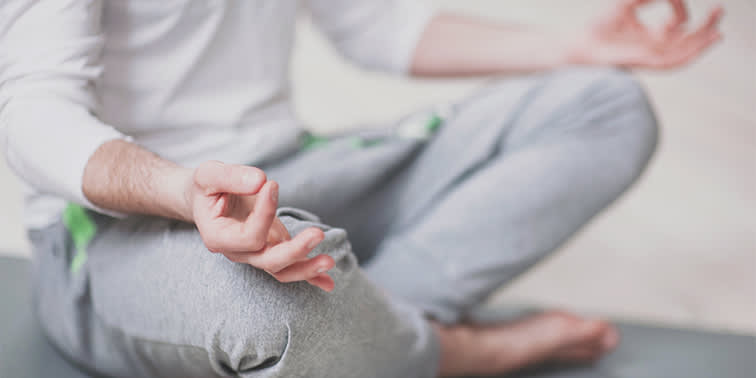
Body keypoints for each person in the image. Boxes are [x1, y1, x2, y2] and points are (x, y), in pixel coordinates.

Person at [0, 0, 722, 376]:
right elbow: (31, 110)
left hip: (288, 171)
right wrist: (182, 190)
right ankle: (455, 353)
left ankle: (366, 337)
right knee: (264, 304)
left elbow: (375, 25)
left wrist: (572, 50)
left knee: (604, 105)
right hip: (121, 228)